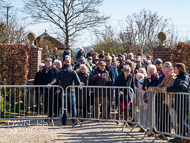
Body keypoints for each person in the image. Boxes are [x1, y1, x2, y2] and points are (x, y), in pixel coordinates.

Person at [162, 63, 190, 143]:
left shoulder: (185, 76)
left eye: (175, 68)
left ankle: (187, 136)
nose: (174, 69)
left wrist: (168, 89)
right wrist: (168, 89)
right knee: (180, 121)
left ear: (179, 68)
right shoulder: (178, 77)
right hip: (178, 102)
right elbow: (173, 87)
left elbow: (182, 88)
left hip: (184, 102)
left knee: (182, 121)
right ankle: (184, 138)